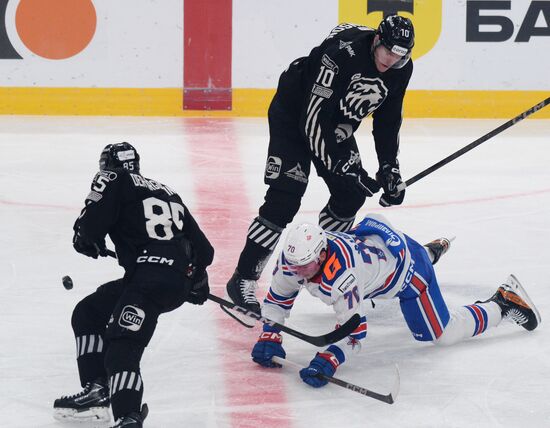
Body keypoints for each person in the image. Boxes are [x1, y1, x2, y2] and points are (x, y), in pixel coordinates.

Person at [226, 15, 415, 315]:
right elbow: (312, 121)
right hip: (294, 115)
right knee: (285, 196)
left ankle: (325, 262)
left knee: (351, 195)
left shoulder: (401, 68)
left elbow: (388, 119)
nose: (391, 61)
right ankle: (244, 277)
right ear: (377, 40)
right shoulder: (340, 55)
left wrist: (390, 168)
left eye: (399, 56)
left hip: (336, 122)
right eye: (388, 52)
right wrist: (344, 166)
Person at [250, 215, 541, 388]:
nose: (296, 271)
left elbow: (355, 334)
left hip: (408, 277)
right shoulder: (297, 258)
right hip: (385, 255)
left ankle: (503, 302)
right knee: (393, 262)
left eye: (304, 266)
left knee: (443, 334)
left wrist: (330, 358)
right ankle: (429, 250)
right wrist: (270, 332)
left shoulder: (344, 278)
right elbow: (279, 295)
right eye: (293, 264)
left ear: (323, 254)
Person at [53, 143, 214, 427]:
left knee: (122, 344)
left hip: (148, 281)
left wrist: (86, 239)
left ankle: (128, 416)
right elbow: (205, 250)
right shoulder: (167, 191)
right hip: (164, 280)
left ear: (107, 165)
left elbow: (89, 227)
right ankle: (97, 390)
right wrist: (196, 280)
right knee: (88, 312)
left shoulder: (113, 179)